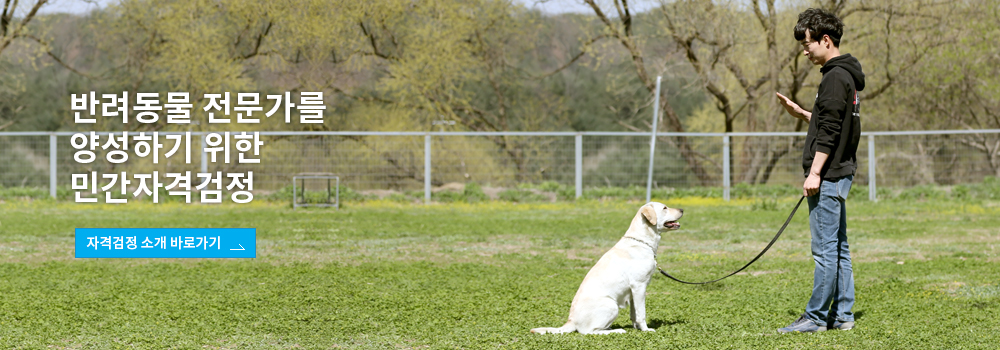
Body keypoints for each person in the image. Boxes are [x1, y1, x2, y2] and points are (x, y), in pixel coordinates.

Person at [775, 7, 865, 333]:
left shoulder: (833, 77)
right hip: (841, 173)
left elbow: (828, 133)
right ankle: (843, 316)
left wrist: (814, 173)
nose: (805, 50)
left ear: (825, 40)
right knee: (839, 247)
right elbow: (834, 123)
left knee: (825, 251)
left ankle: (815, 318)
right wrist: (802, 113)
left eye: (808, 43)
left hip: (828, 177)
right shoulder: (846, 76)